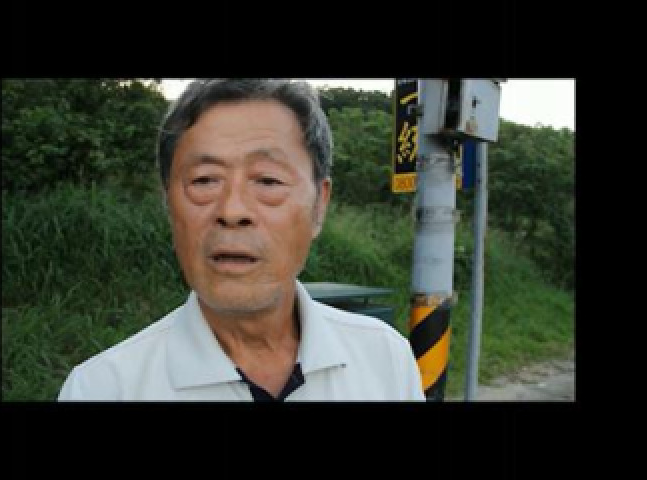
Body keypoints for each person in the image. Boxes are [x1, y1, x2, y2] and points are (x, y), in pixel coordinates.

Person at [58, 79, 424, 401]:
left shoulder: (385, 359)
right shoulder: (104, 388)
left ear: (319, 206)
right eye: (204, 180)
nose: (232, 211)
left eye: (267, 181)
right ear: (169, 204)